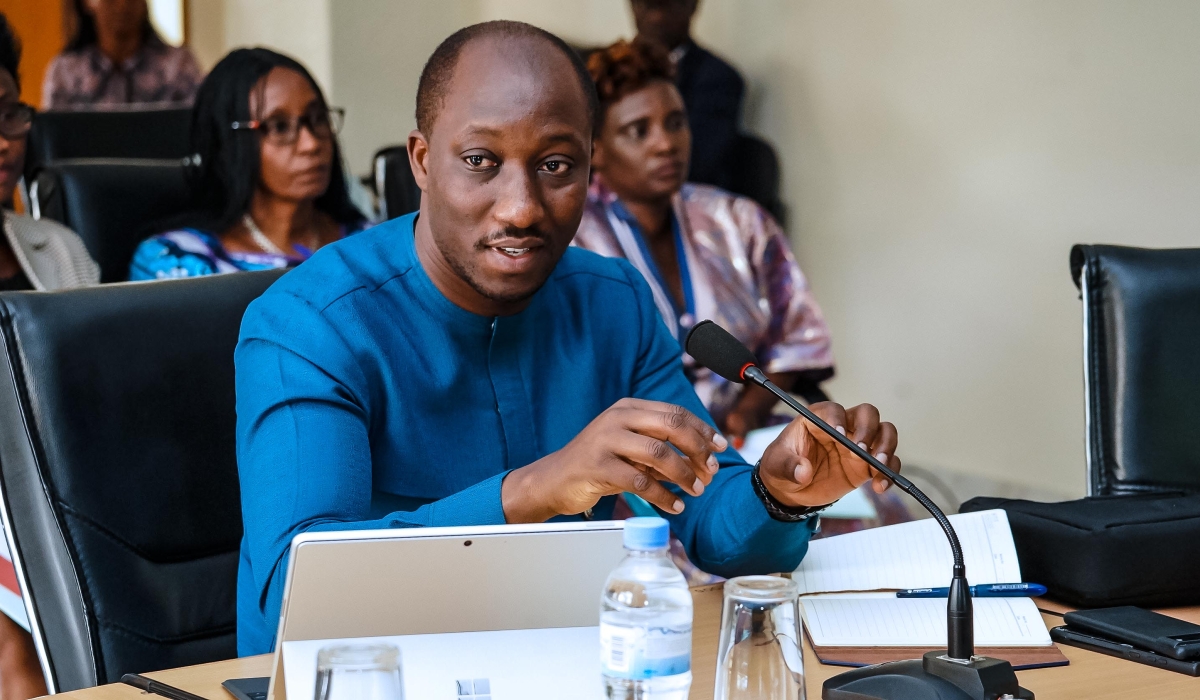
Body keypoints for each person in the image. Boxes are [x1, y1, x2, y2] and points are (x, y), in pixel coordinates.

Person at [234, 20, 901, 656]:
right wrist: (535, 490)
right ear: (423, 160)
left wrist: (777, 495)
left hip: (570, 664)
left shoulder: (614, 302)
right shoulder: (309, 324)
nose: (521, 207)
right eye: (480, 160)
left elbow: (707, 518)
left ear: (590, 168)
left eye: (556, 165)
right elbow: (292, 594)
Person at [576, 38, 833, 443]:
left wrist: (745, 415)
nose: (666, 144)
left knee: (858, 489)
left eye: (676, 122)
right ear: (596, 150)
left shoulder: (739, 220)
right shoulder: (572, 243)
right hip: (630, 455)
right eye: (638, 131)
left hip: (743, 443)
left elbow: (794, 340)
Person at [0, 13, 100, 700]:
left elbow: (101, 398)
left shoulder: (55, 248)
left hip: (65, 491)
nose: (3, 139)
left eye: (9, 112)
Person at [129, 48, 365, 280]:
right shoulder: (177, 262)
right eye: (279, 126)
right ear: (228, 142)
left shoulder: (374, 243)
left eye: (318, 118)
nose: (311, 143)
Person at [631, 0, 743, 188]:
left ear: (691, 6)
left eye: (665, 5)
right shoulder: (604, 70)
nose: (655, 17)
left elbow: (694, 163)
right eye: (647, 5)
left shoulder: (719, 78)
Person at [42, 0, 202, 110]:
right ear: (87, 2)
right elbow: (55, 141)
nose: (123, 5)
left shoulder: (179, 66)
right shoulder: (65, 73)